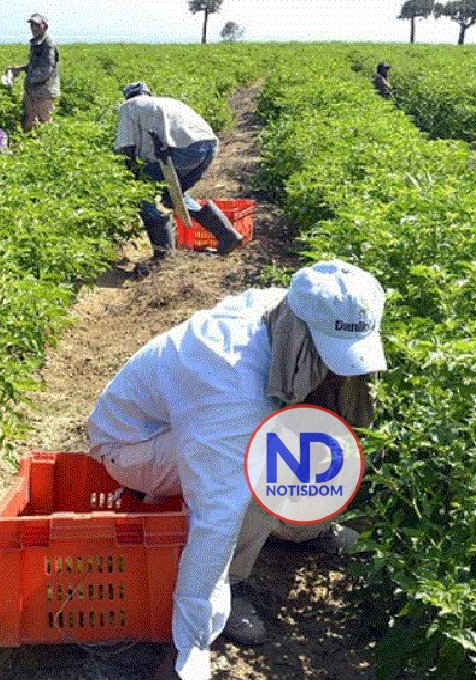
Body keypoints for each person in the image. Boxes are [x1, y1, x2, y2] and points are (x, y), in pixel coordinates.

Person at [86, 259, 386, 680]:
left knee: (297, 437)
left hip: (180, 422)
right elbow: (215, 518)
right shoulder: (234, 388)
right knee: (266, 467)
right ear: (300, 334)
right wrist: (191, 646)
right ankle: (234, 580)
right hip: (132, 446)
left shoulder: (279, 310)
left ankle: (301, 529)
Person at [113, 81, 243, 264]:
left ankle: (164, 256)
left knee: (142, 193)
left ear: (128, 96)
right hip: (209, 148)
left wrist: (132, 179)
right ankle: (228, 235)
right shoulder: (165, 102)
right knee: (172, 195)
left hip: (183, 152)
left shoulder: (128, 106)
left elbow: (126, 147)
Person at [6, 14, 60, 132]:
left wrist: (30, 79)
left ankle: (44, 147)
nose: (33, 28)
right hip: (34, 90)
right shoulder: (37, 42)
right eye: (31, 25)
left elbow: (47, 69)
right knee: (28, 121)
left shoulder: (48, 43)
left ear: (44, 26)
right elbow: (35, 64)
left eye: (36, 25)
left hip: (44, 91)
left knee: (44, 122)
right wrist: (21, 68)